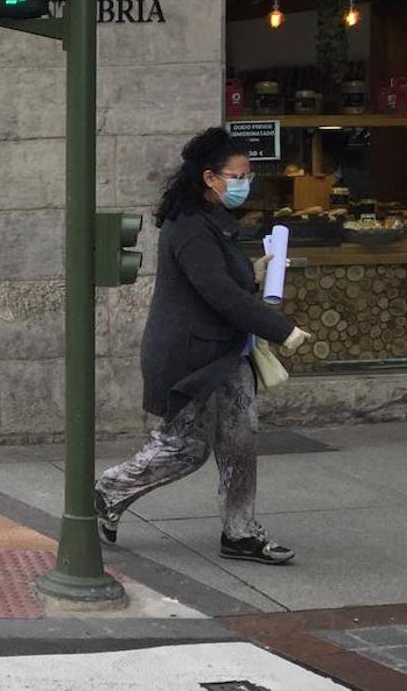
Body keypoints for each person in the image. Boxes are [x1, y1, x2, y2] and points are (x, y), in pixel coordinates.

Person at [95, 127, 314, 566]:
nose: (245, 183)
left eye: (248, 174)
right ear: (211, 178)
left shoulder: (208, 220)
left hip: (224, 352)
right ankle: (109, 489)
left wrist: (255, 272)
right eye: (238, 175)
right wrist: (281, 329)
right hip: (193, 357)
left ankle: (240, 532)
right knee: (185, 447)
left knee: (240, 440)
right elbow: (219, 295)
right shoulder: (191, 226)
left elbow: (219, 283)